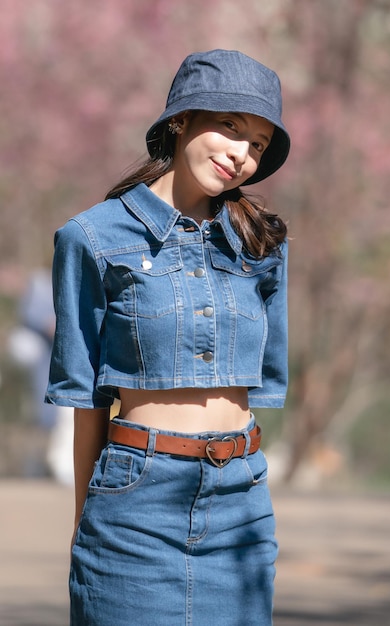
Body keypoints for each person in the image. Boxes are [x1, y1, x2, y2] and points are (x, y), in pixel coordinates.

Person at [46, 49, 290, 625]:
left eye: (257, 143)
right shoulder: (91, 237)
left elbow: (264, 380)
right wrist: (88, 521)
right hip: (136, 502)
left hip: (243, 500)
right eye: (230, 127)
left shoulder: (262, 245)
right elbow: (86, 399)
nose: (240, 155)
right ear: (180, 120)